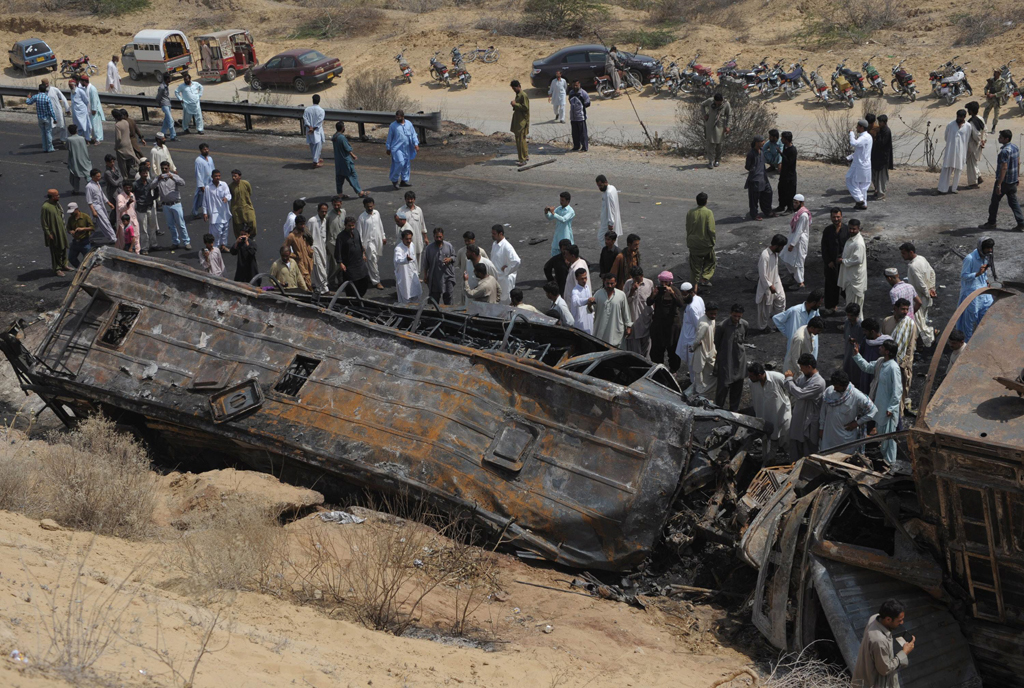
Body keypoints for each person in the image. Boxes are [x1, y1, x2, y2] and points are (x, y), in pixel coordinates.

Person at [853, 339, 902, 467]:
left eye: (882, 347)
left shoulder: (893, 367)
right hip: (879, 406)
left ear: (887, 351)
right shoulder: (881, 362)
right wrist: (857, 355)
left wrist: (891, 408)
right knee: (882, 436)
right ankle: (885, 463)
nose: (879, 348)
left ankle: (890, 464)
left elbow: (898, 391)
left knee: (889, 439)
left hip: (888, 409)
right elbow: (867, 367)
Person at [851, 599, 916, 688]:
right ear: (888, 619)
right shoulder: (879, 641)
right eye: (899, 620)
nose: (902, 623)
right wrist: (904, 652)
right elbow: (885, 669)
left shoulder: (874, 618)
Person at [819, 370, 877, 454]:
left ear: (844, 386)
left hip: (845, 439)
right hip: (828, 436)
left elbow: (873, 410)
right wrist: (821, 428)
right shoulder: (829, 391)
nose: (835, 388)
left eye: (837, 387)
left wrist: (857, 423)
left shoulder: (856, 395)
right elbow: (823, 411)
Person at [978, 130, 1023, 231]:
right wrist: (1017, 178)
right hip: (1012, 181)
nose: (999, 138)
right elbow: (1018, 163)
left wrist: (999, 184)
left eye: (1001, 137)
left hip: (1004, 182)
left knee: (994, 202)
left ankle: (991, 222)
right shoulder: (1015, 147)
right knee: (1014, 203)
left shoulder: (1004, 151)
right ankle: (1021, 223)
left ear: (1006, 139)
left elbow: (1004, 168)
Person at [784, 353, 825, 461]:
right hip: (799, 415)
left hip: (810, 419)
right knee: (796, 443)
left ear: (809, 367)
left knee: (809, 446)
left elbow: (800, 394)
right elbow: (795, 388)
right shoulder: (804, 377)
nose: (801, 371)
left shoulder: (819, 383)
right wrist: (791, 381)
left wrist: (789, 380)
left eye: (802, 368)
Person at [748, 362, 791, 461]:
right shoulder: (752, 383)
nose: (749, 378)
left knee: (785, 438)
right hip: (764, 416)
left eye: (751, 376)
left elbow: (790, 390)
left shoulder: (778, 378)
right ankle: (767, 461)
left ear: (759, 375)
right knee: (766, 441)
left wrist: (787, 405)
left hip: (781, 415)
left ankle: (789, 460)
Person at [956, 237, 995, 341]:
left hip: (984, 292)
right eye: (987, 248)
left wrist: (986, 279)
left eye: (991, 248)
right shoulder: (970, 259)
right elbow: (964, 276)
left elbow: (985, 272)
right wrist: (977, 274)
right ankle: (966, 344)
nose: (990, 250)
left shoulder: (986, 256)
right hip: (971, 294)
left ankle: (982, 340)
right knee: (969, 322)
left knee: (985, 317)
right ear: (981, 247)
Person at [901, 243, 937, 348]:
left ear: (910, 252)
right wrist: (932, 288)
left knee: (919, 323)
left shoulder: (913, 266)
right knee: (920, 321)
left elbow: (920, 284)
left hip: (919, 298)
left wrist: (928, 293)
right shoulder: (922, 258)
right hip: (925, 297)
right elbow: (932, 273)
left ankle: (932, 335)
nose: (902, 256)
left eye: (904, 253)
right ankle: (920, 342)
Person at [648, 272, 684, 373]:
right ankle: (658, 370)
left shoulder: (675, 290)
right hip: (659, 326)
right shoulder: (657, 291)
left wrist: (672, 293)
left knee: (673, 350)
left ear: (670, 281)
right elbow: (648, 302)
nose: (663, 284)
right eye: (662, 281)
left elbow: (680, 303)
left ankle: (674, 370)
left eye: (666, 281)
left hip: (672, 327)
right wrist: (654, 294)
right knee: (656, 350)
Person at [773, 289, 823, 361]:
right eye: (819, 303)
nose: (820, 305)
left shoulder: (815, 310)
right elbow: (777, 319)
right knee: (794, 363)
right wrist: (788, 333)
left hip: (811, 343)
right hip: (797, 344)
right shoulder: (794, 310)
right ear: (813, 302)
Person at [590, 274, 633, 348]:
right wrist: (589, 305)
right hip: (601, 333)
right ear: (604, 282)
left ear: (615, 283)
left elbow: (626, 311)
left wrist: (629, 326)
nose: (609, 286)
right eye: (607, 283)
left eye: (611, 283)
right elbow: (591, 310)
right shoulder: (598, 294)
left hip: (616, 331)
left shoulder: (621, 295)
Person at [755, 235, 787, 331]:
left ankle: (779, 323)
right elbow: (763, 274)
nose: (782, 248)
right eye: (781, 246)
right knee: (765, 308)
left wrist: (776, 284)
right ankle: (763, 327)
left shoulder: (775, 254)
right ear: (777, 245)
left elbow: (774, 270)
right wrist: (770, 285)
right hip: (767, 285)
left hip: (776, 280)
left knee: (781, 300)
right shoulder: (765, 256)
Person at [821, 208, 848, 314]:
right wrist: (828, 261)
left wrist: (844, 259)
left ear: (841, 217)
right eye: (834, 217)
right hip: (831, 265)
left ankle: (849, 306)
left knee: (845, 287)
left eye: (838, 217)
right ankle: (831, 306)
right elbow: (824, 248)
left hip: (843, 264)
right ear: (830, 217)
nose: (836, 219)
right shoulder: (827, 231)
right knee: (831, 285)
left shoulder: (846, 230)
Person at [675, 282, 705, 376]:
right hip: (691, 336)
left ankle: (694, 384)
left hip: (692, 338)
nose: (683, 297)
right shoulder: (698, 298)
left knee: (692, 363)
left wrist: (699, 339)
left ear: (690, 292)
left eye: (684, 294)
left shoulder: (692, 307)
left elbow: (698, 324)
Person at [686, 192, 716, 287]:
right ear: (706, 201)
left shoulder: (690, 212)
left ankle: (694, 286)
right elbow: (711, 229)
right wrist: (712, 241)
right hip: (705, 244)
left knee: (695, 266)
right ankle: (704, 278)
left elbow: (688, 227)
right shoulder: (708, 212)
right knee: (711, 261)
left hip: (693, 243)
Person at [688, 302, 717, 398]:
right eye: (711, 314)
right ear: (706, 312)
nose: (713, 316)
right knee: (700, 375)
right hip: (702, 351)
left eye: (715, 314)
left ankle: (705, 393)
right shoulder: (704, 323)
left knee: (709, 375)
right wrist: (693, 348)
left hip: (710, 350)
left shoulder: (712, 321)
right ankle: (700, 394)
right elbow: (697, 340)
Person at [780, 194, 810, 287]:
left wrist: (792, 244)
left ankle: (800, 282)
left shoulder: (803, 215)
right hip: (793, 239)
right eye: (793, 202)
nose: (794, 204)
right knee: (785, 256)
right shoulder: (798, 213)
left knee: (798, 261)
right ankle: (794, 276)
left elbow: (799, 231)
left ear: (801, 203)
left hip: (799, 241)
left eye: (796, 203)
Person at [335, 216, 370, 296]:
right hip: (349, 265)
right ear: (345, 225)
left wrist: (363, 254)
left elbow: (360, 244)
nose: (351, 227)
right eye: (349, 226)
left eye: (353, 225)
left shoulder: (356, 232)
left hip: (359, 262)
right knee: (352, 285)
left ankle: (359, 298)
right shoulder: (341, 237)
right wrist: (340, 263)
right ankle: (352, 301)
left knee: (364, 281)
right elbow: (338, 251)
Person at [624, 266, 654, 357]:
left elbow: (652, 300)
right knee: (634, 352)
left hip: (645, 319)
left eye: (637, 278)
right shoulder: (628, 284)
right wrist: (632, 291)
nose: (635, 280)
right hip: (633, 321)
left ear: (642, 276)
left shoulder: (649, 283)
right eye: (633, 278)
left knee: (646, 349)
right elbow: (624, 301)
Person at [938, 110, 970, 194]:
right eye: (958, 116)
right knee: (946, 169)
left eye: (960, 117)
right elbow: (946, 137)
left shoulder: (968, 126)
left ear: (964, 117)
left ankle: (954, 188)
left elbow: (967, 139)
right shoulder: (950, 125)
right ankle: (942, 189)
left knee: (958, 170)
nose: (958, 118)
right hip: (950, 151)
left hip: (961, 152)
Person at [357, 197, 386, 290]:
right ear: (364, 206)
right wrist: (362, 247)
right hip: (368, 243)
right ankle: (376, 281)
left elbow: (380, 225)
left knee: (374, 260)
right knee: (372, 260)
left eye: (371, 206)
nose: (370, 208)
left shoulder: (377, 213)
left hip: (377, 241)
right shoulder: (362, 218)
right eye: (368, 206)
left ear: (373, 205)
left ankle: (370, 275)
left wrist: (383, 236)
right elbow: (359, 233)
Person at [422, 227, 456, 304]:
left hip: (447, 277)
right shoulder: (429, 248)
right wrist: (425, 276)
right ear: (434, 236)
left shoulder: (449, 246)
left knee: (448, 299)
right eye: (437, 237)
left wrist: (449, 259)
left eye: (440, 237)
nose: (438, 238)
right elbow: (426, 264)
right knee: (433, 300)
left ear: (443, 236)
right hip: (435, 278)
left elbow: (454, 257)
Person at [386, 110, 419, 188]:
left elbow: (413, 134)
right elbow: (389, 137)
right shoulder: (393, 125)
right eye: (396, 117)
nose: (397, 119)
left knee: (406, 164)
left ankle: (404, 181)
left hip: (407, 148)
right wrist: (388, 148)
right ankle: (394, 180)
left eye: (399, 117)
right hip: (397, 148)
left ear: (403, 117)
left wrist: (416, 144)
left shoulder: (409, 124)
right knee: (400, 163)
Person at [838, 218, 867, 308]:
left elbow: (857, 260)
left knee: (853, 306)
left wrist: (843, 261)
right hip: (851, 276)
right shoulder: (852, 239)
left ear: (858, 229)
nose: (851, 231)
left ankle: (854, 322)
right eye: (850, 228)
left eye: (854, 229)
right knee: (851, 304)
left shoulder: (858, 243)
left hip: (854, 281)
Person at [332, 121, 365, 197]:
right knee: (352, 176)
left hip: (338, 161)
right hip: (345, 160)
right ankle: (359, 192)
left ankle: (339, 193)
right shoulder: (342, 137)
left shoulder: (335, 136)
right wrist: (353, 155)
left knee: (339, 178)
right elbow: (347, 148)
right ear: (343, 128)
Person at [40, 190, 69, 276]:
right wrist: (48, 233)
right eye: (57, 195)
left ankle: (64, 264)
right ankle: (57, 268)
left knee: (63, 248)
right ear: (52, 197)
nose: (59, 196)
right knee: (55, 250)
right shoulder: (46, 207)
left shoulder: (56, 204)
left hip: (61, 230)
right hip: (54, 232)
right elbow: (44, 222)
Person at [744, 136, 774, 221]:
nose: (763, 143)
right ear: (757, 143)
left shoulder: (762, 151)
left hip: (764, 178)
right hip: (755, 179)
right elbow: (747, 166)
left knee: (768, 193)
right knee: (754, 199)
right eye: (762, 142)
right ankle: (754, 214)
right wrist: (754, 169)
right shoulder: (751, 154)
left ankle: (767, 211)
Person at [201, 168, 232, 250]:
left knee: (225, 231)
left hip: (225, 213)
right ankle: (214, 248)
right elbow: (205, 201)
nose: (218, 178)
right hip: (215, 214)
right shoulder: (208, 188)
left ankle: (223, 246)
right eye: (216, 176)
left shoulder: (224, 184)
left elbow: (229, 194)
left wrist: (226, 198)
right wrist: (205, 213)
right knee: (217, 232)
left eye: (219, 176)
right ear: (212, 177)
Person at [490, 224, 521, 305]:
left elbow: (517, 261)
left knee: (506, 301)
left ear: (500, 234)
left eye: (494, 234)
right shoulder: (494, 244)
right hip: (496, 279)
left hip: (505, 280)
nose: (492, 236)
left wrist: (507, 270)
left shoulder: (507, 247)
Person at [845, 120, 872, 209]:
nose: (856, 128)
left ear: (862, 127)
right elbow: (860, 151)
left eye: (858, 126)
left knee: (849, 179)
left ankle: (860, 200)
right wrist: (849, 157)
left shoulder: (863, 137)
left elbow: (854, 143)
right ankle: (863, 204)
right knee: (862, 186)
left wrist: (851, 134)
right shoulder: (869, 137)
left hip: (859, 165)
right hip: (866, 165)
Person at [458, 232, 492, 305]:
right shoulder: (461, 252)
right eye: (465, 241)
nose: (467, 243)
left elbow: (486, 265)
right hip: (467, 282)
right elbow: (459, 264)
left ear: (473, 240)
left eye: (469, 241)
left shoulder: (481, 251)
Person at [86, 168, 117, 245]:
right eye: (97, 176)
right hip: (96, 207)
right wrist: (93, 211)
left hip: (101, 205)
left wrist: (108, 203)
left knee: (94, 224)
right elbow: (89, 201)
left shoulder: (97, 184)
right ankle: (113, 238)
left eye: (100, 176)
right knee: (105, 222)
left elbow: (101, 194)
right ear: (92, 176)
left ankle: (87, 238)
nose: (99, 178)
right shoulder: (89, 187)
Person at [842, 303, 868, 392]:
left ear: (856, 315)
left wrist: (856, 343)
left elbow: (864, 343)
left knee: (857, 376)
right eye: (848, 315)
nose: (849, 317)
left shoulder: (862, 326)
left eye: (851, 315)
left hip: (858, 355)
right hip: (848, 353)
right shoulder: (846, 323)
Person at [701, 93, 731, 169]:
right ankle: (710, 161)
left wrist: (728, 126)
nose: (718, 104)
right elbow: (702, 105)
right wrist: (704, 114)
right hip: (710, 125)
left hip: (721, 126)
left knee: (719, 145)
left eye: (719, 102)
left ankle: (717, 160)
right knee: (710, 144)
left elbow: (729, 115)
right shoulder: (710, 101)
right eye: (716, 102)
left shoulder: (726, 104)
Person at [284, 215, 314, 287]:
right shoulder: (292, 236)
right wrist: (295, 256)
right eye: (301, 224)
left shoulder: (304, 233)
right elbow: (284, 249)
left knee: (309, 278)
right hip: (300, 262)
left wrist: (310, 252)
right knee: (305, 281)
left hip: (308, 261)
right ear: (296, 224)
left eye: (304, 224)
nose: (303, 226)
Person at [394, 229, 422, 304]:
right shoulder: (398, 249)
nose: (409, 241)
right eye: (407, 239)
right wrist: (406, 259)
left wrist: (416, 272)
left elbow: (414, 260)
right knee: (405, 296)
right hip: (404, 277)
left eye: (410, 238)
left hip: (413, 274)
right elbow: (398, 260)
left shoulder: (412, 245)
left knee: (416, 293)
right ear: (402, 239)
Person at [26, 84, 57, 153]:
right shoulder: (47, 98)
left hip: (40, 118)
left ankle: (45, 148)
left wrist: (28, 97)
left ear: (39, 90)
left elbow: (28, 102)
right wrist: (54, 118)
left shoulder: (36, 97)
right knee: (48, 132)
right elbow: (51, 110)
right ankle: (50, 148)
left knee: (43, 133)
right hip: (47, 118)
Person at [308, 202, 330, 294]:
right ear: (318, 211)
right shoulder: (312, 221)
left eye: (325, 212)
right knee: (319, 268)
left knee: (323, 267)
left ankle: (319, 287)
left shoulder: (324, 220)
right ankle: (324, 289)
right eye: (322, 211)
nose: (324, 213)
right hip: (315, 248)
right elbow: (307, 235)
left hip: (323, 248)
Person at [871, 114, 894, 200]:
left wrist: (877, 136)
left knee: (882, 177)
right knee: (876, 176)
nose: (879, 123)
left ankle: (881, 193)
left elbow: (882, 143)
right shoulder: (881, 130)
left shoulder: (886, 131)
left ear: (884, 122)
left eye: (880, 122)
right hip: (878, 158)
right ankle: (878, 191)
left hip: (883, 158)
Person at [64, 124, 92, 195]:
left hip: (74, 159)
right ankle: (93, 188)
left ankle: (76, 189)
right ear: (76, 130)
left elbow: (67, 147)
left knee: (75, 174)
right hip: (84, 158)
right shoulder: (82, 138)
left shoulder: (69, 139)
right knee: (87, 174)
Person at [228, 169, 256, 240]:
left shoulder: (246, 183)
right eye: (232, 176)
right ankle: (239, 239)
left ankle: (250, 236)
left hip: (247, 207)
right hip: (236, 209)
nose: (233, 178)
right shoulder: (231, 186)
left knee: (252, 223)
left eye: (235, 176)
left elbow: (250, 192)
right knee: (238, 226)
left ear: (239, 176)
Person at [65, 202, 94, 269]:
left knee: (89, 260)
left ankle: (87, 272)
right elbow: (68, 228)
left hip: (85, 242)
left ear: (77, 209)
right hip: (75, 242)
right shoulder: (71, 219)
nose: (71, 214)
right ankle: (81, 270)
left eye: (72, 212)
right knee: (71, 258)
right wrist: (71, 231)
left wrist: (83, 229)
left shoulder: (85, 217)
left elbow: (92, 228)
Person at [326, 196, 347, 288]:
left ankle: (340, 280)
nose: (336, 206)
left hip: (342, 242)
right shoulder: (328, 215)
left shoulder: (343, 212)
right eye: (334, 205)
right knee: (335, 264)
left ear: (341, 204)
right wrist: (325, 245)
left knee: (341, 262)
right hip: (332, 242)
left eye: (338, 204)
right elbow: (326, 230)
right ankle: (330, 280)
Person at [774, 131, 798, 213]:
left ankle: (790, 208)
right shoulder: (785, 147)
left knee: (790, 192)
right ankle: (781, 206)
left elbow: (789, 162)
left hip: (790, 175)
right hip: (784, 174)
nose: (781, 139)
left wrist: (780, 153)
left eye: (783, 138)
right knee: (781, 189)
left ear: (787, 139)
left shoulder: (793, 150)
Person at [596, 175, 622, 245]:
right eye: (598, 186)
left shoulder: (608, 193)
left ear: (606, 182)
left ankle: (608, 253)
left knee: (601, 237)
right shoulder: (612, 188)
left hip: (608, 222)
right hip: (609, 220)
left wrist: (611, 223)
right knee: (613, 240)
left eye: (601, 185)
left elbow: (611, 208)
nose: (599, 188)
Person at [965, 101, 986, 188]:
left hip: (973, 145)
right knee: (974, 163)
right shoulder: (981, 118)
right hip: (979, 144)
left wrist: (979, 141)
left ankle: (973, 183)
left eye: (968, 110)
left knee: (971, 164)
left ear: (971, 111)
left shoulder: (971, 122)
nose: (967, 111)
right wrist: (983, 140)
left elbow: (976, 134)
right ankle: (979, 177)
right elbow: (985, 130)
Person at [112, 110, 138, 180]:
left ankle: (125, 177)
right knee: (132, 159)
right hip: (128, 144)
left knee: (122, 164)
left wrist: (116, 147)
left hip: (121, 146)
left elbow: (118, 138)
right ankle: (138, 170)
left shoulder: (117, 125)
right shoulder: (125, 122)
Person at [401, 191, 427, 259]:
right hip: (407, 242)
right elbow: (398, 229)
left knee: (418, 261)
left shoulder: (418, 210)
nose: (410, 201)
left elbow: (422, 224)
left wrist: (425, 238)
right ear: (405, 199)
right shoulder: (401, 211)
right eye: (408, 199)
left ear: (414, 199)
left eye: (411, 199)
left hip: (417, 240)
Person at [42, 78, 69, 145]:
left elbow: (63, 98)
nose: (46, 85)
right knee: (50, 127)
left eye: (47, 84)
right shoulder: (42, 92)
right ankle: (50, 140)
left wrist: (67, 109)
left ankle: (63, 139)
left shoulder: (55, 90)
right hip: (49, 112)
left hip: (58, 111)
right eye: (45, 84)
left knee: (62, 125)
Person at [510, 80, 530, 165]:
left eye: (514, 88)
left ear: (518, 86)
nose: (514, 90)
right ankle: (525, 156)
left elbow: (525, 108)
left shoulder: (523, 95)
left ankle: (522, 160)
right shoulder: (518, 95)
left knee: (520, 141)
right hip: (518, 120)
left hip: (522, 121)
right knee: (522, 140)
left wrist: (515, 104)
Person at [192, 143, 214, 220]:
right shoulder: (198, 160)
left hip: (210, 182)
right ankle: (195, 212)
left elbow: (213, 169)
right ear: (201, 150)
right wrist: (201, 185)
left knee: (210, 197)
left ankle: (210, 211)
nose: (206, 151)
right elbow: (198, 173)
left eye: (207, 149)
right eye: (204, 149)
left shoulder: (210, 158)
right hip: (203, 183)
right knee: (199, 198)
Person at [569, 268, 594, 335]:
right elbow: (575, 302)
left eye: (585, 278)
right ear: (577, 278)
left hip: (589, 319)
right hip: (580, 322)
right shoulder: (575, 291)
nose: (584, 280)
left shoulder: (587, 287)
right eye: (582, 279)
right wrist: (587, 300)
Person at [303, 94, 325, 167]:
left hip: (309, 130)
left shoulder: (307, 109)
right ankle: (315, 162)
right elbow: (319, 121)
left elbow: (305, 119)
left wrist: (310, 127)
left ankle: (316, 158)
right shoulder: (321, 110)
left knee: (312, 145)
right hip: (317, 130)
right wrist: (313, 128)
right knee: (318, 145)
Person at [567, 80, 590, 152]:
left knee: (582, 133)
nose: (575, 87)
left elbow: (588, 103)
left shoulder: (583, 93)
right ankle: (576, 146)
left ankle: (584, 147)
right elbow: (570, 101)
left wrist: (581, 107)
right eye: (573, 85)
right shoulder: (571, 93)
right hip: (573, 117)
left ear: (579, 84)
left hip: (581, 117)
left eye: (576, 85)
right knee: (575, 133)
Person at [82, 75, 104, 144]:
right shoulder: (86, 88)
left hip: (94, 110)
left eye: (81, 81)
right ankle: (94, 138)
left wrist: (94, 109)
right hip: (90, 110)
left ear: (84, 81)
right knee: (91, 125)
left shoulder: (92, 89)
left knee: (96, 125)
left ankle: (98, 139)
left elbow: (94, 100)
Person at [70, 78, 92, 143]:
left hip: (82, 111)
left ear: (74, 85)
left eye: (71, 85)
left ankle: (87, 139)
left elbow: (86, 101)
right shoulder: (72, 91)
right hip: (75, 112)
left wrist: (81, 107)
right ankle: (79, 139)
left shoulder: (80, 91)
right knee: (78, 126)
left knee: (85, 126)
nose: (70, 87)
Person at [154, 73, 176, 141]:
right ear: (167, 79)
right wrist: (159, 103)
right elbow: (158, 96)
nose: (170, 79)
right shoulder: (162, 87)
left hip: (168, 104)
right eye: (169, 78)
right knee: (170, 120)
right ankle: (173, 136)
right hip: (164, 105)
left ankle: (162, 133)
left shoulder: (166, 85)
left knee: (166, 121)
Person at [983, 68, 1005, 133]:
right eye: (994, 72)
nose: (995, 73)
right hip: (990, 99)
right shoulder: (991, 80)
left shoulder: (1002, 81)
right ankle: (984, 126)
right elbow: (986, 87)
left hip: (997, 100)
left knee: (996, 115)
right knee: (986, 112)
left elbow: (1003, 91)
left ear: (999, 73)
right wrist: (986, 93)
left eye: (996, 72)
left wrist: (995, 94)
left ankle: (993, 127)